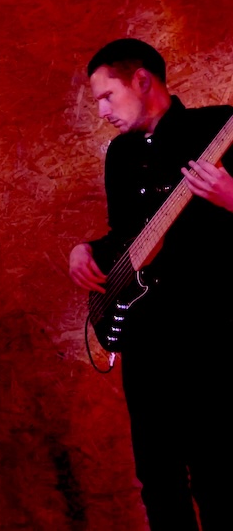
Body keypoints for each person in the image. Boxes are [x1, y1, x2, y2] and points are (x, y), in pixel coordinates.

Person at [68, 38, 233, 530]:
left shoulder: (219, 128)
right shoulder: (120, 155)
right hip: (145, 337)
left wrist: (232, 197)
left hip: (211, 333)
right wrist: (86, 251)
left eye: (107, 96)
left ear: (142, 80)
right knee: (157, 478)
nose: (102, 112)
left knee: (217, 473)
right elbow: (126, 235)